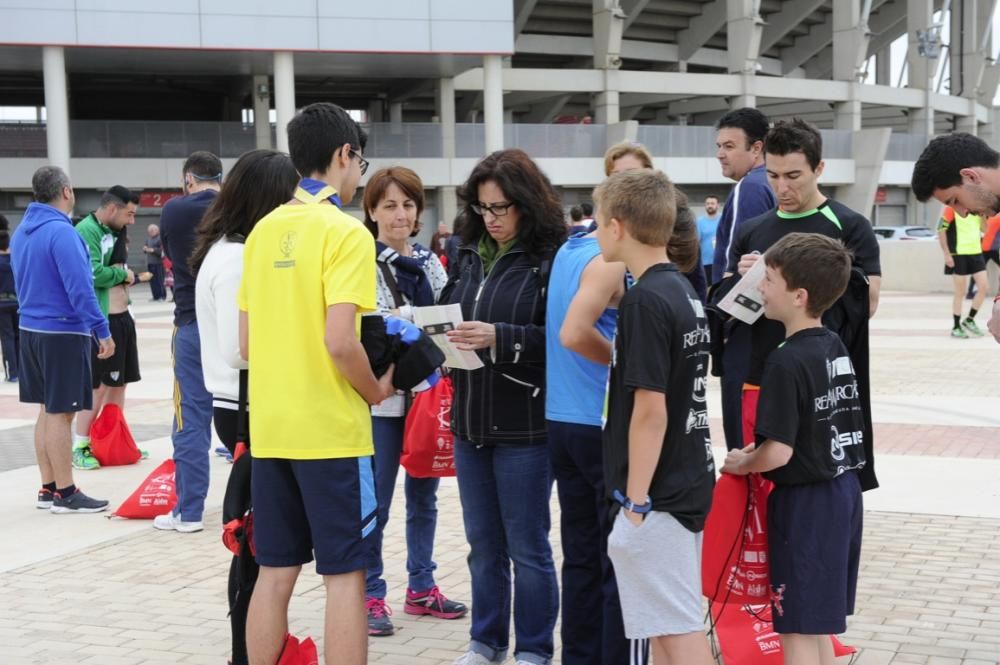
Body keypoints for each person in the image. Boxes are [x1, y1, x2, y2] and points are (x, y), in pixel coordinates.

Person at [239, 102, 394, 665]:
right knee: (345, 577)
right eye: (359, 160)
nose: (359, 173)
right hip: (331, 432)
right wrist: (377, 390)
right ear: (343, 155)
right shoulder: (346, 234)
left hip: (273, 428)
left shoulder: (262, 231)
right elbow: (340, 341)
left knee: (275, 572)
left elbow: (248, 346)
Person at [442, 148, 565, 665]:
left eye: (502, 208)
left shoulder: (552, 258)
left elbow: (566, 338)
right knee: (482, 545)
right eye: (483, 208)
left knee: (528, 548)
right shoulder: (467, 252)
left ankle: (534, 648)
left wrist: (501, 336)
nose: (491, 219)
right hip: (470, 420)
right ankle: (485, 641)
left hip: (527, 424)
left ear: (528, 204)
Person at [721, 233, 866, 665]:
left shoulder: (784, 360)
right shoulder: (832, 345)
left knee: (795, 626)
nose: (760, 288)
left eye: (769, 280)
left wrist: (745, 461)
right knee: (816, 621)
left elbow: (778, 453)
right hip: (844, 493)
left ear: (798, 296)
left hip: (805, 505)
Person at [592, 168, 715, 665]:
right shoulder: (682, 290)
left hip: (659, 492)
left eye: (597, 222)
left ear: (618, 226)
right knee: (664, 628)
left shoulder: (645, 299)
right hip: (685, 478)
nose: (594, 232)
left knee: (678, 628)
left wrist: (635, 500)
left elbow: (650, 410)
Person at [726, 119, 880, 491]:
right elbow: (729, 311)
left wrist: (805, 280)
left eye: (794, 175)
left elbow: (869, 301)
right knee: (757, 490)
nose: (782, 187)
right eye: (773, 176)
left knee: (816, 486)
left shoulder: (849, 225)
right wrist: (741, 278)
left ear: (819, 169)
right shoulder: (751, 229)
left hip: (822, 382)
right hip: (758, 376)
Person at [191, 148, 299, 665]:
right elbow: (241, 348)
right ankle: (246, 651)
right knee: (253, 543)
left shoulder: (233, 248)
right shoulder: (237, 257)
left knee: (256, 539)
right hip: (245, 409)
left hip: (244, 405)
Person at [360, 166, 465, 637]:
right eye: (389, 205)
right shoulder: (361, 258)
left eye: (407, 205)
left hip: (427, 397)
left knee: (425, 498)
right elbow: (371, 325)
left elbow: (447, 318)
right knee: (376, 503)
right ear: (371, 210)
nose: (399, 215)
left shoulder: (429, 260)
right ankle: (369, 593)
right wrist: (411, 321)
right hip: (381, 400)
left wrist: (415, 323)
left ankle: (422, 586)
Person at [546, 194, 630, 663]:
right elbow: (574, 332)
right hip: (598, 423)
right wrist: (631, 363)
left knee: (579, 555)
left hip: (563, 422)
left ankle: (579, 655)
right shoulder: (607, 263)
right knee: (614, 559)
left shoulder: (568, 249)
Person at [11, 166, 113, 513]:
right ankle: (67, 493)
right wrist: (102, 330)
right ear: (66, 192)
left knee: (46, 409)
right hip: (62, 331)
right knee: (62, 413)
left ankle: (49, 487)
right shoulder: (62, 233)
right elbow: (80, 289)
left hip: (30, 329)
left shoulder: (22, 232)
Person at [156, 151, 222, 533]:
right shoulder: (239, 208)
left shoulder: (173, 211)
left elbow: (170, 255)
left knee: (191, 420)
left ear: (188, 179)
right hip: (238, 325)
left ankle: (190, 511)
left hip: (192, 324)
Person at [710, 108, 777, 452]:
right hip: (774, 330)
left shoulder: (748, 189)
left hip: (746, 331)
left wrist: (727, 326)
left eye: (730, 146)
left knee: (741, 440)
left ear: (757, 148)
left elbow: (738, 271)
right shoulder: (774, 184)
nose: (721, 153)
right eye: (719, 145)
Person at [71, 185, 139, 470]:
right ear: (113, 208)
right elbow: (93, 273)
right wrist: (123, 274)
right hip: (102, 320)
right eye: (130, 214)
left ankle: (113, 440)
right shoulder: (88, 231)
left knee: (119, 383)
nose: (132, 221)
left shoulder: (114, 232)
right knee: (98, 387)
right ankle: (80, 445)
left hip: (123, 316)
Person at [603, 141, 706, 302]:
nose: (624, 181)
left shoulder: (674, 212)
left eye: (632, 173)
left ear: (649, 173)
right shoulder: (605, 218)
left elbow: (692, 273)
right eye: (616, 176)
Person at [937, 207, 987, 338]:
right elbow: (940, 229)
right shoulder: (951, 208)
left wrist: (982, 215)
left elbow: (984, 230)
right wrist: (947, 254)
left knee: (983, 287)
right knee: (960, 291)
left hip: (976, 253)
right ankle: (956, 326)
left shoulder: (977, 207)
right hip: (958, 254)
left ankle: (970, 319)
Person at [0, 216, 18, 382]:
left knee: (7, 337)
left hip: (2, 304)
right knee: (20, 337)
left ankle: (12, 373)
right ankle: (21, 371)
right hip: (18, 302)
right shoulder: (16, 259)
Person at [697, 196, 721, 284]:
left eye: (712, 203)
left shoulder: (724, 220)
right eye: (707, 204)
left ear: (717, 205)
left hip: (721, 261)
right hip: (705, 262)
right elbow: (696, 242)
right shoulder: (699, 221)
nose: (710, 206)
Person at [144, 224, 166, 301]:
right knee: (152, 281)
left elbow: (162, 251)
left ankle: (162, 296)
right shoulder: (148, 239)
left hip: (159, 263)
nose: (150, 232)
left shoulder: (160, 239)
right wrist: (145, 249)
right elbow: (145, 248)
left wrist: (152, 250)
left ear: (157, 230)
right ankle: (155, 296)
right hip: (150, 263)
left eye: (152, 230)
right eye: (149, 231)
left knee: (160, 281)